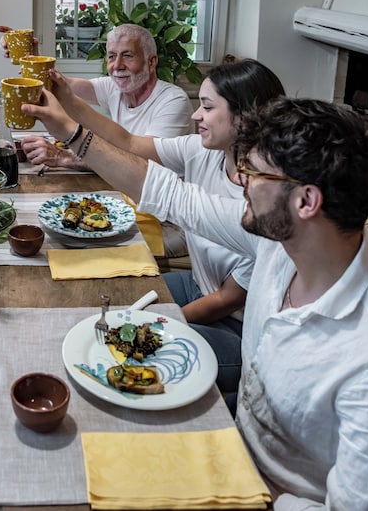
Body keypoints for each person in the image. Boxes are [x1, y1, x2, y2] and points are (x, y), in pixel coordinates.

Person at [25, 93, 368, 508]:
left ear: (307, 201)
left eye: (253, 172)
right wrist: (74, 136)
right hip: (233, 446)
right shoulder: (285, 241)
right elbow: (173, 195)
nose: (239, 181)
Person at [33, 60, 286, 394]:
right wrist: (69, 102)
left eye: (207, 107)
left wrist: (156, 321)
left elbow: (227, 300)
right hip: (198, 284)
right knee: (109, 297)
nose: (196, 115)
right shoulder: (204, 151)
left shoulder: (264, 204)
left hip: (235, 328)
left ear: (244, 117)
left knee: (127, 353)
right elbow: (129, 143)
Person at [0, 23, 194, 257]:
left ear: (151, 62)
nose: (117, 66)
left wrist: (65, 157)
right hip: (127, 202)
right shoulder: (116, 88)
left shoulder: (173, 101)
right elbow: (62, 87)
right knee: (61, 229)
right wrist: (30, 59)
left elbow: (139, 166)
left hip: (167, 220)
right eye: (112, 56)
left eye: (128, 56)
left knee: (80, 248)